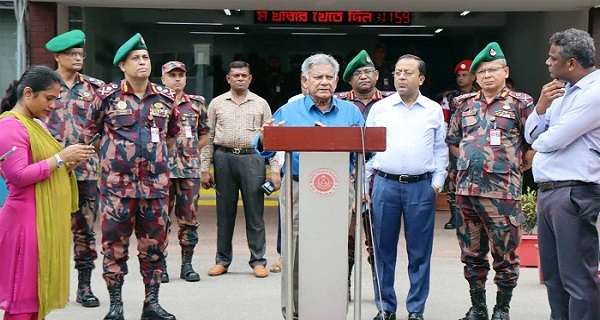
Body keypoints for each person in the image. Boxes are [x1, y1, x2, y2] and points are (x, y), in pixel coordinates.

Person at [254, 52, 364, 319]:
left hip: (338, 189)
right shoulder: (289, 111)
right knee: (294, 251)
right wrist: (264, 137)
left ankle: (333, 310)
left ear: (337, 81)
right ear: (305, 81)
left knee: (335, 250)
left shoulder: (351, 112)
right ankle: (293, 312)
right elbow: (265, 150)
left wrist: (333, 140)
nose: (324, 82)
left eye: (329, 77)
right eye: (318, 77)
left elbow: (366, 151)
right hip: (297, 188)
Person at [84, 33, 179, 320]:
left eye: (146, 58)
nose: (142, 62)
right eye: (135, 58)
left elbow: (171, 137)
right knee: (114, 248)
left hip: (155, 189)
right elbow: (91, 134)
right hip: (117, 190)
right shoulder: (107, 96)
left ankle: (151, 303)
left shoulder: (165, 98)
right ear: (122, 66)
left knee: (154, 249)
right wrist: (116, 157)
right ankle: (116, 305)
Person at [446, 42, 535, 320]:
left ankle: (502, 309)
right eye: (481, 71)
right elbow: (453, 141)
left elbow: (534, 143)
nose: (487, 75)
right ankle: (478, 307)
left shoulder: (521, 103)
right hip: (466, 193)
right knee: (471, 255)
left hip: (503, 196)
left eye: (493, 70)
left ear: (505, 71)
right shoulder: (463, 104)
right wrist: (471, 163)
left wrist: (514, 168)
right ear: (475, 76)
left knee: (505, 256)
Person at [0, 65, 95, 320]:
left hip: (42, 221)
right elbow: (18, 176)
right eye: (49, 98)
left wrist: (69, 162)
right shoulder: (10, 126)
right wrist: (61, 158)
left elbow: (47, 167)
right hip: (25, 224)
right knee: (22, 302)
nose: (52, 105)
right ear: (28, 93)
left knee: (37, 300)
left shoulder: (36, 125)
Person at [525, 28, 600, 320]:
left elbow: (551, 140)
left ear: (571, 63)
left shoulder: (594, 93)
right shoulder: (563, 92)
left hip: (573, 193)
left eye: (553, 57)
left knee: (578, 278)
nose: (547, 62)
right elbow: (532, 132)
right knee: (554, 278)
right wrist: (541, 107)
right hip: (550, 193)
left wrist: (541, 140)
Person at [366, 54, 448, 320]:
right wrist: (367, 184)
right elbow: (368, 148)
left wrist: (436, 184)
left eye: (408, 72)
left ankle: (416, 310)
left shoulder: (433, 109)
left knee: (420, 252)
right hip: (385, 185)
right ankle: (385, 307)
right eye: (398, 72)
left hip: (420, 187)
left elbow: (440, 148)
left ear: (421, 78)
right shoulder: (381, 108)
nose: (401, 77)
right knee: (382, 249)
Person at [43, 29, 104, 308]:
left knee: (85, 232)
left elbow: (107, 128)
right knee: (44, 230)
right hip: (48, 169)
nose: (78, 58)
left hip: (86, 171)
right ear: (57, 56)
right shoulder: (41, 85)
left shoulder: (95, 88)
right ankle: (43, 285)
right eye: (72, 54)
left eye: (81, 54)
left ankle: (84, 287)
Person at [200, 61, 274, 279]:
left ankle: (258, 261)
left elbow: (270, 139)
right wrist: (205, 167)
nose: (240, 78)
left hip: (252, 159)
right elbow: (209, 137)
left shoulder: (261, 104)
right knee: (224, 213)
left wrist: (275, 169)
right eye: (236, 75)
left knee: (255, 213)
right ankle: (222, 260)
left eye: (244, 75)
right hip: (223, 159)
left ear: (250, 79)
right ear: (228, 78)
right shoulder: (216, 103)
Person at [335, 49, 395, 301]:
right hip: (346, 178)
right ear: (349, 80)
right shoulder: (338, 102)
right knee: (345, 238)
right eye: (357, 73)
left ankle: (381, 290)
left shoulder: (391, 101)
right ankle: (343, 288)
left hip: (381, 177)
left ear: (377, 75)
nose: (363, 77)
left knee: (378, 239)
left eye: (368, 71)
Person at [160, 61, 209, 283]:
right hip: (160, 172)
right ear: (163, 79)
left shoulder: (197, 104)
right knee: (159, 221)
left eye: (181, 75)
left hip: (188, 171)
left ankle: (187, 265)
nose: (177, 79)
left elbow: (205, 134)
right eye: (172, 75)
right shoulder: (156, 103)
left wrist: (190, 153)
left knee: (188, 220)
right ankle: (160, 266)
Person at [438, 60, 477, 230]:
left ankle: (474, 215)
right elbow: (443, 121)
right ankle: (455, 216)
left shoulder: (481, 94)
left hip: (476, 144)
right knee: (453, 180)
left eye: (464, 75)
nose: (461, 78)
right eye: (458, 75)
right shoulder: (449, 97)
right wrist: (445, 146)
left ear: (473, 76)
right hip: (455, 144)